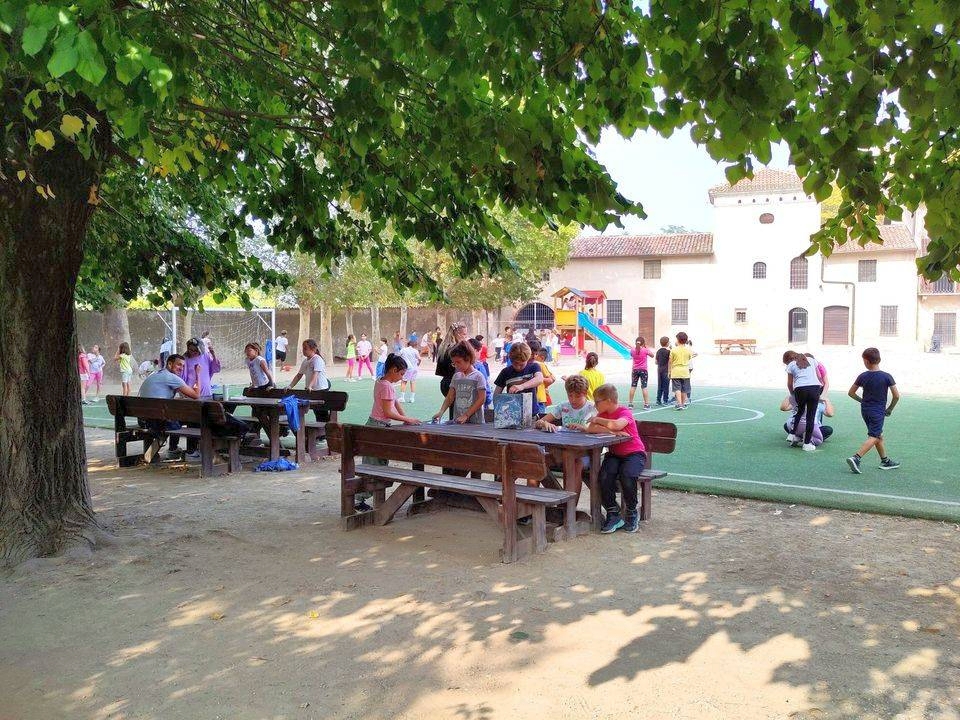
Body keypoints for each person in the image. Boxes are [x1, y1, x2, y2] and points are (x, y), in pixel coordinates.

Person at [586, 384, 646, 534]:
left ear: (607, 401)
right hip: (614, 454)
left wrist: (598, 420)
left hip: (634, 454)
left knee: (628, 475)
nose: (595, 405)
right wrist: (611, 431)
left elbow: (617, 424)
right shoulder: (604, 414)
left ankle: (632, 512)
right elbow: (590, 429)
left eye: (597, 402)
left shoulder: (624, 412)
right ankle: (613, 513)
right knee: (604, 476)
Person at [846, 347, 901, 473]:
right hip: (878, 411)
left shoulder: (862, 376)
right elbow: (896, 396)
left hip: (865, 410)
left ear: (866, 361)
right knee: (874, 436)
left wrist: (862, 401)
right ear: (879, 359)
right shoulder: (887, 377)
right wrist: (890, 409)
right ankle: (856, 458)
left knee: (878, 435)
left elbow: (851, 393)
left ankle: (885, 461)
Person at [139, 353, 201, 460]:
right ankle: (191, 452)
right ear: (169, 364)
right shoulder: (171, 377)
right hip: (158, 421)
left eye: (183, 366)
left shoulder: (155, 374)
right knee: (194, 418)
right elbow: (196, 395)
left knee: (174, 415)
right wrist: (198, 375)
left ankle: (173, 450)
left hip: (143, 419)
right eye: (179, 365)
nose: (181, 368)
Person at [432, 341, 487, 424]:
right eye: (454, 363)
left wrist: (466, 415)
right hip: (458, 420)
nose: (456, 366)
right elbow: (450, 397)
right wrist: (441, 412)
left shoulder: (478, 376)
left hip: (475, 421)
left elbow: (481, 399)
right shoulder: (456, 376)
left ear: (468, 359)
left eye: (458, 362)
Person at [783, 350, 823, 451]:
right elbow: (819, 376)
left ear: (788, 360)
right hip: (814, 388)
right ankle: (807, 444)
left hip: (800, 388)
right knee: (810, 416)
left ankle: (792, 434)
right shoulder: (811, 360)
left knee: (800, 410)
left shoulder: (791, 365)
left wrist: (793, 393)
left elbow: (789, 383)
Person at [493, 342, 545, 414]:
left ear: (527, 359)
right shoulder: (505, 372)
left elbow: (539, 379)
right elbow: (497, 394)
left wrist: (522, 386)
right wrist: (499, 407)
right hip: (512, 414)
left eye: (521, 364)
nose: (518, 367)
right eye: (515, 363)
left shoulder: (534, 367)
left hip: (531, 414)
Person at [435, 322, 470, 400]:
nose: (466, 336)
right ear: (457, 334)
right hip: (455, 383)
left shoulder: (443, 347)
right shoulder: (457, 348)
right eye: (464, 334)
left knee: (453, 409)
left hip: (445, 383)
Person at [669, 332, 695, 409]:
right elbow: (689, 358)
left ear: (678, 340)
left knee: (677, 388)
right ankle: (683, 404)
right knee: (684, 389)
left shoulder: (673, 350)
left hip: (676, 371)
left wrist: (669, 371)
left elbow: (670, 362)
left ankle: (679, 404)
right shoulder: (688, 350)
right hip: (685, 371)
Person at [628, 336, 655, 409]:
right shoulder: (645, 350)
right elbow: (652, 355)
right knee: (644, 387)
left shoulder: (632, 350)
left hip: (635, 370)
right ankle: (646, 404)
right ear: (643, 343)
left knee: (633, 386)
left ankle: (630, 403)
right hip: (643, 370)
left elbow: (632, 354)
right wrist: (646, 348)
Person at [467, 337, 493, 408]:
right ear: (475, 351)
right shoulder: (479, 366)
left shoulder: (460, 366)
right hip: (479, 404)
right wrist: (488, 400)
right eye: (479, 351)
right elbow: (485, 386)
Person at [655, 337, 671, 406]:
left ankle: (658, 400)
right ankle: (665, 400)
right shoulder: (668, 352)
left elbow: (656, 362)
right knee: (666, 386)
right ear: (667, 343)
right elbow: (670, 361)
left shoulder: (658, 351)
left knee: (660, 385)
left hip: (659, 370)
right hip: (666, 370)